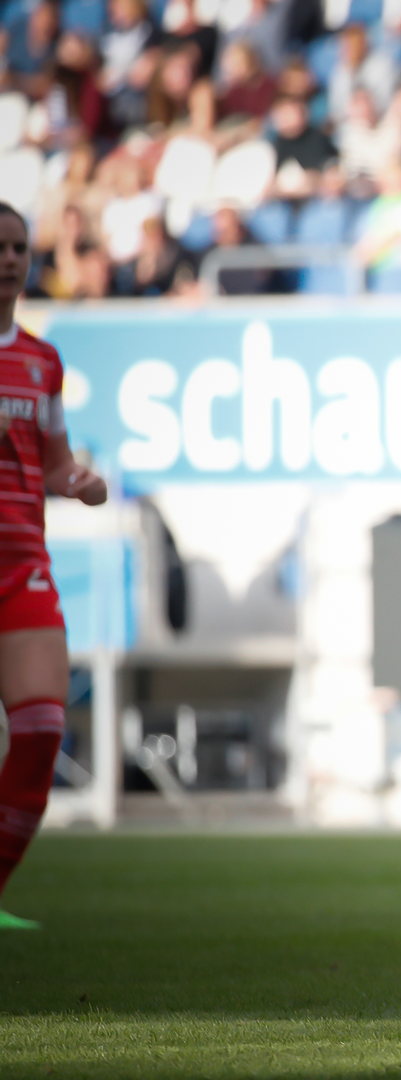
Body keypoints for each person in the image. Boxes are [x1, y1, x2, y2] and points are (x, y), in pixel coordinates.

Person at [0, 201, 110, 929]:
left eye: (19, 247)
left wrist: (80, 480)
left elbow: (58, 460)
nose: (10, 258)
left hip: (21, 565)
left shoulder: (42, 361)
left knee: (41, 728)